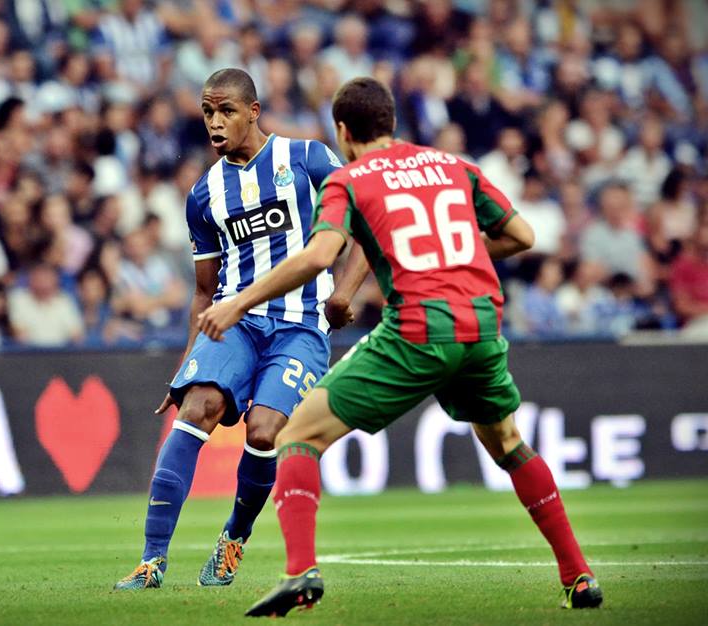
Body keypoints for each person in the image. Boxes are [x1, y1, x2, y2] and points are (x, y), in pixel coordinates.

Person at [197, 77, 602, 615]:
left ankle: (300, 573)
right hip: (480, 326)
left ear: (343, 131)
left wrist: (237, 303)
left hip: (418, 329)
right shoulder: (452, 166)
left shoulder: (349, 180)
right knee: (509, 444)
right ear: (390, 122)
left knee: (297, 435)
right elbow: (523, 236)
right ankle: (578, 576)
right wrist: (452, 253)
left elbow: (319, 256)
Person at [113, 68, 353, 590]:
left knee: (264, 430)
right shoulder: (204, 194)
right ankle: (151, 561)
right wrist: (186, 364)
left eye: (225, 111)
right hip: (235, 323)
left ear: (253, 111)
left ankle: (233, 538)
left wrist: (345, 293)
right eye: (207, 112)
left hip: (301, 325)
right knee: (195, 408)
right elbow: (204, 291)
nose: (215, 122)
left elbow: (358, 221)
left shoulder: (307, 159)